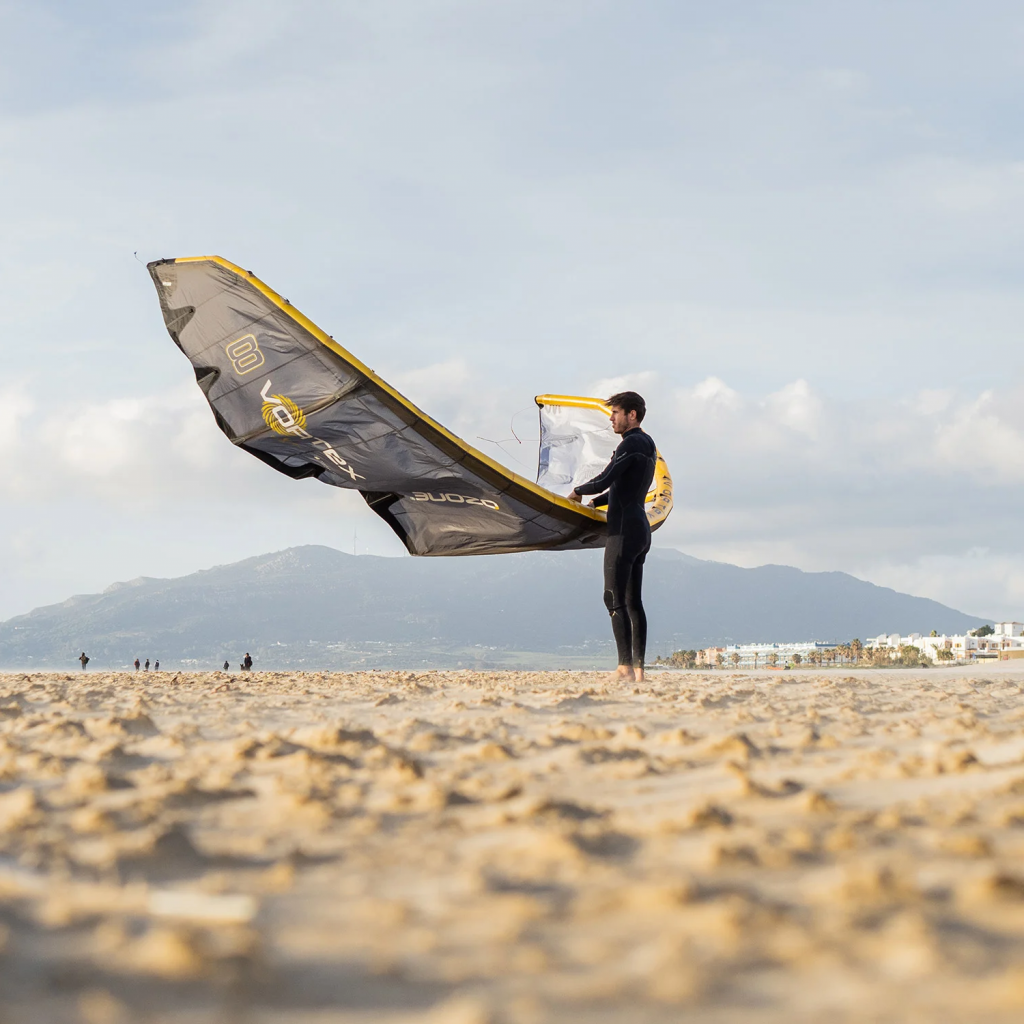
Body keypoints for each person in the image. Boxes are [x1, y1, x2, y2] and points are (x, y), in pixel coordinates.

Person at [568, 391, 657, 683]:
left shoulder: (630, 443)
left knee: (613, 597)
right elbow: (625, 487)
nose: (611, 419)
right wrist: (597, 502)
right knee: (633, 602)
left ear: (632, 414)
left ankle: (623, 667)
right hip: (641, 529)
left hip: (623, 531)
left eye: (616, 413)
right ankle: (639, 671)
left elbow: (605, 478)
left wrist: (579, 492)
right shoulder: (649, 445)